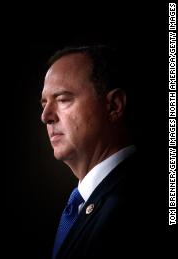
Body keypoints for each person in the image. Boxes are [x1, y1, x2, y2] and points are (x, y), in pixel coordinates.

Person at [40, 45, 161, 259]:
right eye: (44, 103)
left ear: (113, 106)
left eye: (62, 99)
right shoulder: (87, 202)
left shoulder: (138, 204)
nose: (46, 116)